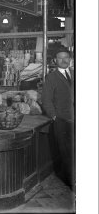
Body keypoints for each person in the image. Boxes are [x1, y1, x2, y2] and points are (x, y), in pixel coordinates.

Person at [42, 46, 75, 190]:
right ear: (55, 60)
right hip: (62, 120)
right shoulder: (51, 77)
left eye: (66, 57)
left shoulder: (74, 73)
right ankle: (72, 182)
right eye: (60, 58)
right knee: (67, 152)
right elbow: (46, 100)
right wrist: (54, 116)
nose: (64, 60)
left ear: (70, 59)